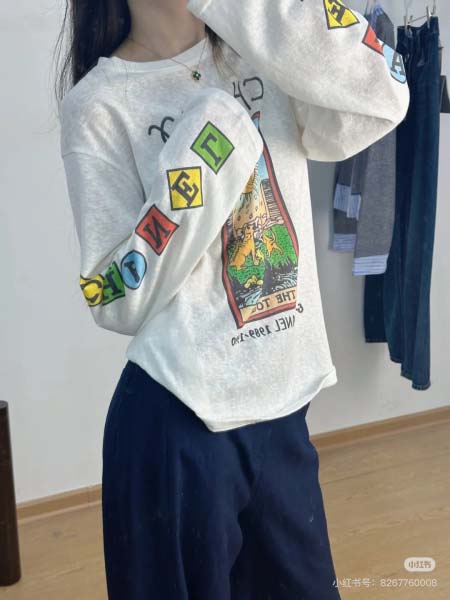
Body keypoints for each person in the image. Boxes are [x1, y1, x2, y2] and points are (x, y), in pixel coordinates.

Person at [56, 0, 409, 598]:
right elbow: (112, 296)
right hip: (178, 426)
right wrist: (207, 152)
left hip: (283, 413)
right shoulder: (99, 103)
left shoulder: (264, 53)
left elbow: (385, 88)